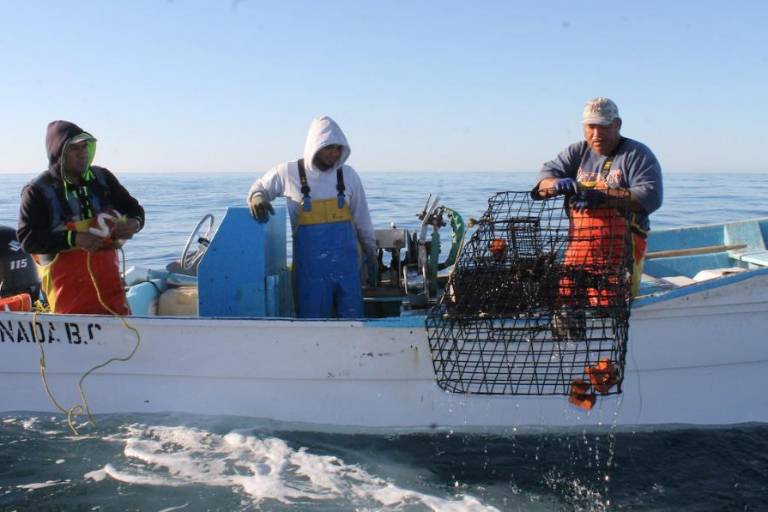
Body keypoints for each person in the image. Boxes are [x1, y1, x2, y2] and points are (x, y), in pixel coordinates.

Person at [532, 97, 663, 301]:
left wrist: (604, 197)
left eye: (603, 127)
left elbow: (650, 196)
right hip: (578, 248)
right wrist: (554, 184)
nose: (596, 134)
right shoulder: (577, 152)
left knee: (611, 305)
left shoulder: (636, 154)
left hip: (621, 252)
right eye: (590, 127)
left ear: (617, 124)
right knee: (565, 301)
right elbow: (542, 184)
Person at [247, 116, 376, 319]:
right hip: (310, 276)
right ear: (316, 145)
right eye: (329, 147)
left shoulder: (349, 175)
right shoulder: (288, 172)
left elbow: (362, 219)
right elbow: (260, 187)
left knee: (353, 324)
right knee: (313, 325)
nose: (334, 153)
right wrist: (257, 197)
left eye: (338, 148)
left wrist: (371, 252)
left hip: (347, 272)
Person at [17, 121, 144, 315]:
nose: (82, 153)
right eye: (74, 148)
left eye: (85, 146)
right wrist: (73, 238)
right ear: (58, 153)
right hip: (68, 302)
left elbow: (134, 209)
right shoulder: (37, 191)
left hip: (112, 295)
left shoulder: (103, 178)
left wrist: (135, 223)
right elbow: (27, 239)